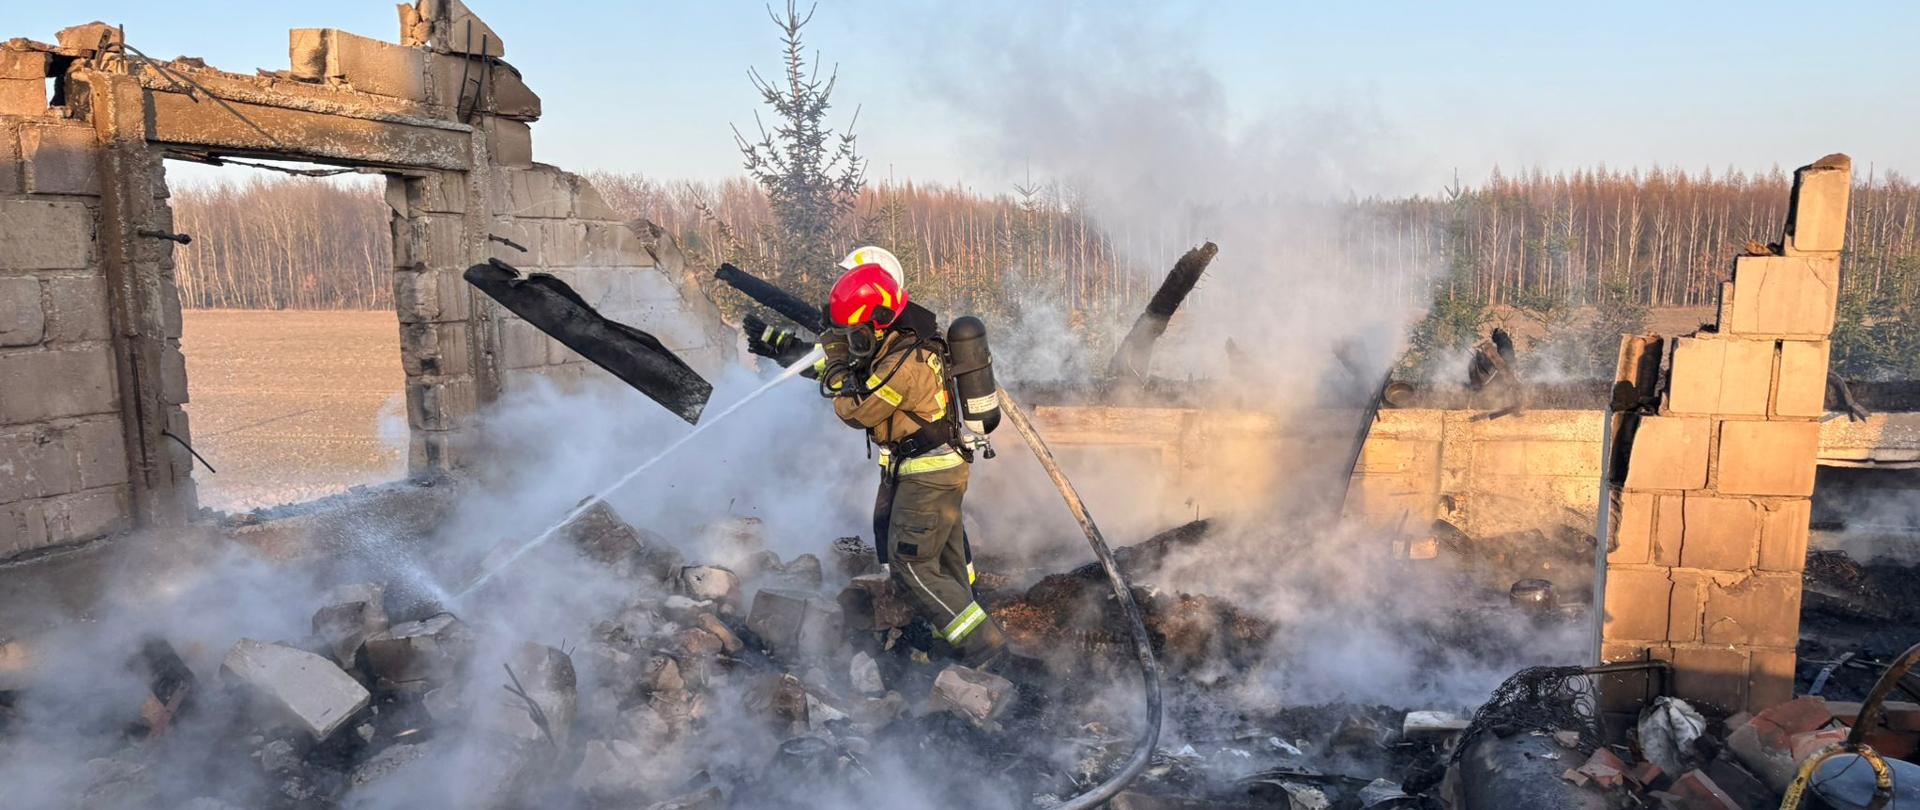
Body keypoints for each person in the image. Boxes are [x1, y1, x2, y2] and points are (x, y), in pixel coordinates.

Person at [815, 248, 1008, 668]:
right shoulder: (904, 345)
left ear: (880, 322)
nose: (854, 342)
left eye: (859, 333)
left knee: (912, 566)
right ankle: (953, 639)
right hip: (938, 470)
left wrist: (834, 361)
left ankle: (982, 647)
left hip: (927, 478)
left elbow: (855, 411)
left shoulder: (901, 365)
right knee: (947, 559)